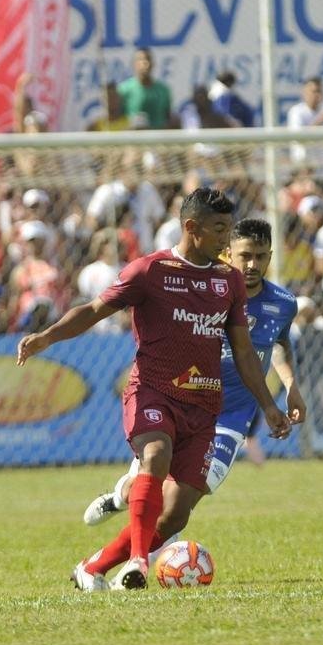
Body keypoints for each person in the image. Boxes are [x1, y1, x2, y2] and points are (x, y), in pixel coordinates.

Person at [16, 188, 291, 591]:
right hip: (153, 391)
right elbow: (94, 310)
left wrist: (267, 405)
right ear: (191, 227)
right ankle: (139, 563)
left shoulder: (227, 281)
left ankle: (92, 567)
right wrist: (47, 337)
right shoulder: (150, 271)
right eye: (218, 230)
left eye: (228, 229)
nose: (225, 239)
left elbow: (245, 351)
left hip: (203, 405)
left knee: (176, 514)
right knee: (155, 456)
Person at [79, 218, 306, 543]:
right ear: (228, 252)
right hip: (188, 404)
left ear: (271, 255)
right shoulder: (204, 290)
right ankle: (120, 499)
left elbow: (278, 342)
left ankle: (137, 562)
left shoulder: (283, 303)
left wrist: (291, 386)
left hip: (233, 415)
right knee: (147, 490)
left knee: (183, 500)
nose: (253, 264)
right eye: (245, 255)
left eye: (261, 255)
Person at [117, 48, 174, 129]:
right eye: (140, 60)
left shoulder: (163, 90)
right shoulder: (124, 89)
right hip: (133, 138)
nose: (145, 63)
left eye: (148, 59)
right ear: (134, 64)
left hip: (158, 138)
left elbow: (168, 117)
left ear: (153, 64)